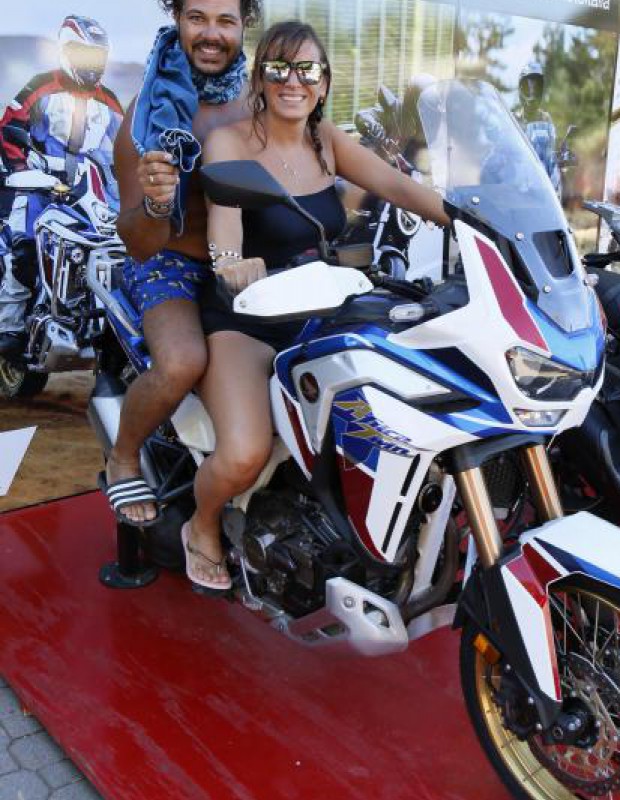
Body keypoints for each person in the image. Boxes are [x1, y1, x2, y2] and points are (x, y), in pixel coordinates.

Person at [185, 20, 450, 590]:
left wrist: (473, 221)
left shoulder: (324, 140)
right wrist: (231, 263)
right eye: (278, 68)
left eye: (306, 70)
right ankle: (201, 524)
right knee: (244, 453)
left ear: (324, 83)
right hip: (249, 317)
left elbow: (398, 187)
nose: (293, 81)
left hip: (323, 312)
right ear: (260, 78)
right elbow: (225, 228)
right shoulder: (230, 143)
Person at [102, 0, 261, 526]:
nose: (211, 33)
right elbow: (138, 243)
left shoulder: (264, 101)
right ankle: (124, 454)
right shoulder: (145, 118)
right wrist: (155, 203)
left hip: (248, 262)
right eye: (197, 18)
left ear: (245, 24)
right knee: (181, 363)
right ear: (177, 19)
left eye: (225, 20)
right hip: (170, 260)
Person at [0, 15, 122, 356]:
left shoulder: (110, 101)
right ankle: (9, 328)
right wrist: (21, 170)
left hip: (91, 192)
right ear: (66, 51)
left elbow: (127, 149)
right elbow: (8, 128)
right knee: (24, 247)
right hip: (39, 187)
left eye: (97, 56)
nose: (91, 63)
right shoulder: (41, 85)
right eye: (84, 54)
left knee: (115, 250)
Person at [517, 60, 560, 197]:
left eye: (536, 87)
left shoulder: (546, 119)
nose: (532, 91)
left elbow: (552, 150)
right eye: (528, 87)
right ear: (521, 89)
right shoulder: (513, 120)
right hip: (519, 186)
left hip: (544, 186)